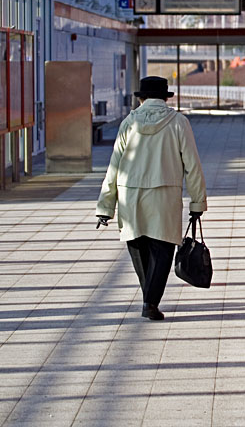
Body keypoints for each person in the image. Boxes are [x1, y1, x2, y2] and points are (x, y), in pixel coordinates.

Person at [95, 76, 207, 321]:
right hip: (164, 196)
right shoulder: (178, 122)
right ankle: (150, 301)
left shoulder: (128, 123)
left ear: (141, 98)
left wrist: (105, 206)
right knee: (163, 251)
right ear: (165, 98)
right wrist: (197, 203)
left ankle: (149, 299)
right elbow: (193, 165)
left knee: (139, 248)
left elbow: (114, 166)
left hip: (130, 196)